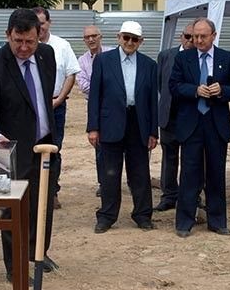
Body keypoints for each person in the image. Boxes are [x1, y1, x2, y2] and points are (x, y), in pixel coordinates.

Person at [0, 9, 58, 280]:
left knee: (41, 205)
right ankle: (15, 266)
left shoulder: (47, 56)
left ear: (39, 36)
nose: (24, 48)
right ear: (7, 35)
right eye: (18, 41)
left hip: (44, 147)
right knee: (14, 211)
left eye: (30, 42)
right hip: (11, 151)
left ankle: (37, 254)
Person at [169, 17, 230, 237]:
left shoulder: (226, 58)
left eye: (203, 36)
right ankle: (184, 222)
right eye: (194, 36)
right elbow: (174, 86)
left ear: (213, 35)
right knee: (189, 174)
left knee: (216, 174)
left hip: (215, 123)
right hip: (191, 123)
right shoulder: (183, 58)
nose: (198, 40)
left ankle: (217, 221)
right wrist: (194, 90)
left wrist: (221, 91)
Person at [87, 21, 158, 233]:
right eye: (126, 37)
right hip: (111, 123)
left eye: (134, 39)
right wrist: (93, 127)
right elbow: (95, 96)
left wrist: (153, 131)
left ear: (141, 42)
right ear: (119, 37)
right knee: (110, 173)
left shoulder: (149, 65)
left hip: (139, 122)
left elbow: (152, 101)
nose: (129, 42)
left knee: (140, 173)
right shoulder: (102, 61)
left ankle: (143, 215)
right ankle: (107, 216)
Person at [33, 7, 81, 210]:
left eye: (42, 23)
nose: (39, 27)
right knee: (31, 148)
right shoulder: (27, 46)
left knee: (54, 149)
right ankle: (34, 191)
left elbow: (71, 74)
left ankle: (52, 192)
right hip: (31, 107)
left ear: (49, 23)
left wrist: (59, 99)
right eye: (36, 23)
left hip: (55, 105)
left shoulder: (61, 46)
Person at [155, 24, 193, 212]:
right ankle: (168, 195)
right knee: (169, 157)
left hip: (190, 117)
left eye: (194, 37)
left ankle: (190, 195)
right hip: (169, 116)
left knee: (191, 158)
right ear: (181, 36)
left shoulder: (198, 56)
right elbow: (161, 85)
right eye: (187, 36)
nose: (191, 41)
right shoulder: (165, 55)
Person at [76, 25, 114, 196]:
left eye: (94, 36)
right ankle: (104, 183)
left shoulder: (113, 54)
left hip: (116, 106)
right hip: (96, 108)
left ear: (101, 36)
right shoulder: (82, 61)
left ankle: (128, 181)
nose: (91, 39)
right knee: (100, 146)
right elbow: (83, 86)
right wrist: (106, 86)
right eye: (87, 37)